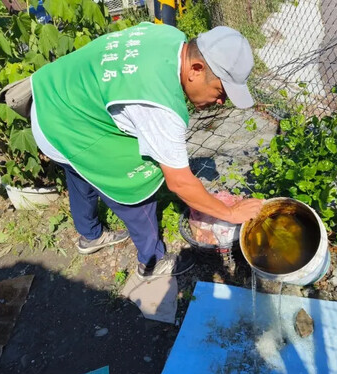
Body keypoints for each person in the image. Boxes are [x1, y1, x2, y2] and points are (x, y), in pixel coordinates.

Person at [30, 22, 263, 280]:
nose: (220, 101)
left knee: (81, 169)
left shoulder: (171, 36)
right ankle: (151, 262)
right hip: (68, 123)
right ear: (196, 69)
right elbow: (180, 183)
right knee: (137, 178)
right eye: (220, 91)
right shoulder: (159, 105)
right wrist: (230, 212)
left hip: (50, 104)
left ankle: (89, 235)